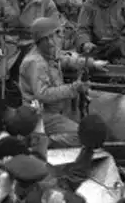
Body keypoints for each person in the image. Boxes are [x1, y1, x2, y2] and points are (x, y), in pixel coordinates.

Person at [18, 17, 92, 148]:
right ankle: (42, 142)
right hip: (41, 115)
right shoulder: (35, 62)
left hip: (55, 111)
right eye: (56, 34)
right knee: (83, 136)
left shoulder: (47, 53)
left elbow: (63, 59)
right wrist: (74, 88)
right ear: (46, 39)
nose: (59, 38)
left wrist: (92, 63)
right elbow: (43, 94)